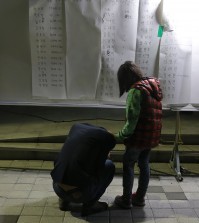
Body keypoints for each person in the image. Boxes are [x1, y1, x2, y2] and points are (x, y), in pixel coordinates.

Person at [114, 61, 163, 209]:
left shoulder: (136, 91)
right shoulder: (153, 86)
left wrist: (118, 137)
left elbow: (131, 123)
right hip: (151, 136)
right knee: (144, 164)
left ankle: (126, 199)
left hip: (139, 138)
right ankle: (140, 198)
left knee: (128, 164)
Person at [51, 123, 116, 216]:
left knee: (68, 166)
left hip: (58, 189)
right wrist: (106, 156)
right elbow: (98, 170)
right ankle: (90, 205)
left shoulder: (77, 136)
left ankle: (64, 201)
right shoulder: (99, 145)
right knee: (109, 165)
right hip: (80, 194)